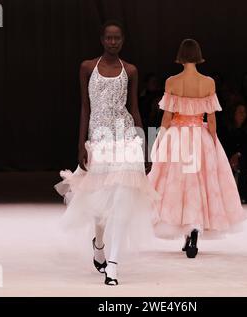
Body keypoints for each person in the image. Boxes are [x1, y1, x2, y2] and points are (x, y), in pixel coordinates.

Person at [54, 20, 159, 286]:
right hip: (98, 139)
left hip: (125, 136)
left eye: (117, 39)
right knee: (100, 204)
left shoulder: (131, 70)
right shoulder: (87, 67)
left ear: (123, 40)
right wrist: (81, 145)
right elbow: (84, 108)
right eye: (109, 38)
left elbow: (135, 109)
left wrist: (145, 146)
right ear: (102, 39)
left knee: (123, 196)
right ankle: (99, 244)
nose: (113, 42)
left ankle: (113, 263)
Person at [148, 39, 246, 259]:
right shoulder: (208, 82)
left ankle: (186, 230)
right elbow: (211, 120)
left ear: (180, 56)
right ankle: (193, 233)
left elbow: (166, 117)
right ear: (199, 55)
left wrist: (159, 139)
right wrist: (212, 142)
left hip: (177, 136)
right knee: (200, 183)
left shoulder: (172, 81)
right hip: (199, 136)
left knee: (178, 184)